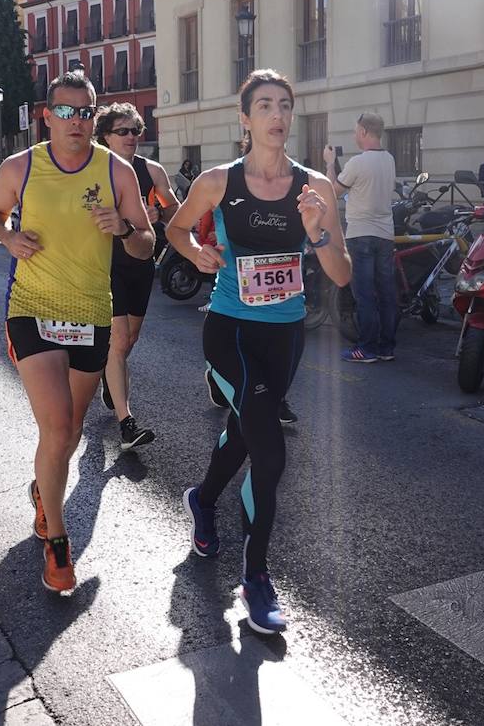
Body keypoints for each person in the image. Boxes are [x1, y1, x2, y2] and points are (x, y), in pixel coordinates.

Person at [167, 69, 351, 634]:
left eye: (285, 105)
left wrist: (317, 230)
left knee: (251, 426)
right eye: (265, 105)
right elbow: (176, 230)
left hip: (286, 333)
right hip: (229, 330)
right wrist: (198, 251)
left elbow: (340, 276)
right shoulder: (219, 182)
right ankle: (256, 578)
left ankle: (203, 497)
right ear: (244, 119)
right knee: (268, 450)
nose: (277, 114)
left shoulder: (314, 186)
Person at [0, 71, 154, 593]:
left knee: (72, 429)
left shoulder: (116, 171)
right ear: (48, 114)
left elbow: (147, 243)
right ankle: (58, 544)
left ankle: (44, 488)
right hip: (31, 308)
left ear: (93, 117)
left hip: (91, 315)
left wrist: (123, 230)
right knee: (58, 428)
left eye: (86, 112)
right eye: (67, 111)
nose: (77, 121)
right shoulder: (22, 165)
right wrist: (7, 237)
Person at [94, 102, 179, 449]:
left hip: (141, 261)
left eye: (136, 131)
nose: (131, 137)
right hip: (104, 264)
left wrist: (161, 215)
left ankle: (107, 373)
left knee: (128, 341)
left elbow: (175, 208)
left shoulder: (151, 171)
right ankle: (127, 423)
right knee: (118, 340)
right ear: (106, 136)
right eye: (123, 131)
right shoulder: (94, 170)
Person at [324, 112, 397, 363]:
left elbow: (332, 191)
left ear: (365, 132)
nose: (355, 135)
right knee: (386, 293)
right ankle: (387, 347)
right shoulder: (390, 160)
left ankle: (366, 349)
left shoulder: (357, 163)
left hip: (361, 234)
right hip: (386, 234)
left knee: (364, 294)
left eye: (356, 131)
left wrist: (330, 163)